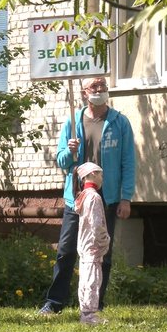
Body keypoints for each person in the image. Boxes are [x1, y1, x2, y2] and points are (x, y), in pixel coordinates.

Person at [39, 77, 136, 315]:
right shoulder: (73, 122)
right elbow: (62, 162)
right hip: (78, 197)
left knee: (102, 252)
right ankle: (54, 303)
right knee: (66, 250)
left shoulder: (120, 123)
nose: (100, 90)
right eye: (95, 86)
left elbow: (128, 162)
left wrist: (126, 198)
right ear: (84, 93)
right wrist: (69, 151)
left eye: (103, 86)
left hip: (107, 198)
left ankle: (96, 304)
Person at [74, 162, 110, 325]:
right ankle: (89, 315)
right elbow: (97, 224)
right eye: (100, 174)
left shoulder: (83, 195)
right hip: (93, 246)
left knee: (85, 279)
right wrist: (105, 240)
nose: (102, 178)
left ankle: (85, 313)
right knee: (92, 281)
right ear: (92, 174)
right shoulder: (94, 197)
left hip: (84, 245)